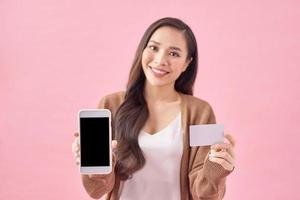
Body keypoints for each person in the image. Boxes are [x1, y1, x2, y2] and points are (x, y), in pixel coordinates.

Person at [72, 17, 236, 200]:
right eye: (153, 48)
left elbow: (204, 195)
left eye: (174, 53)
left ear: (187, 63)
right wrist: (95, 168)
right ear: (142, 50)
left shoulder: (201, 112)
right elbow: (95, 191)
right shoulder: (110, 105)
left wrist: (217, 168)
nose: (160, 60)